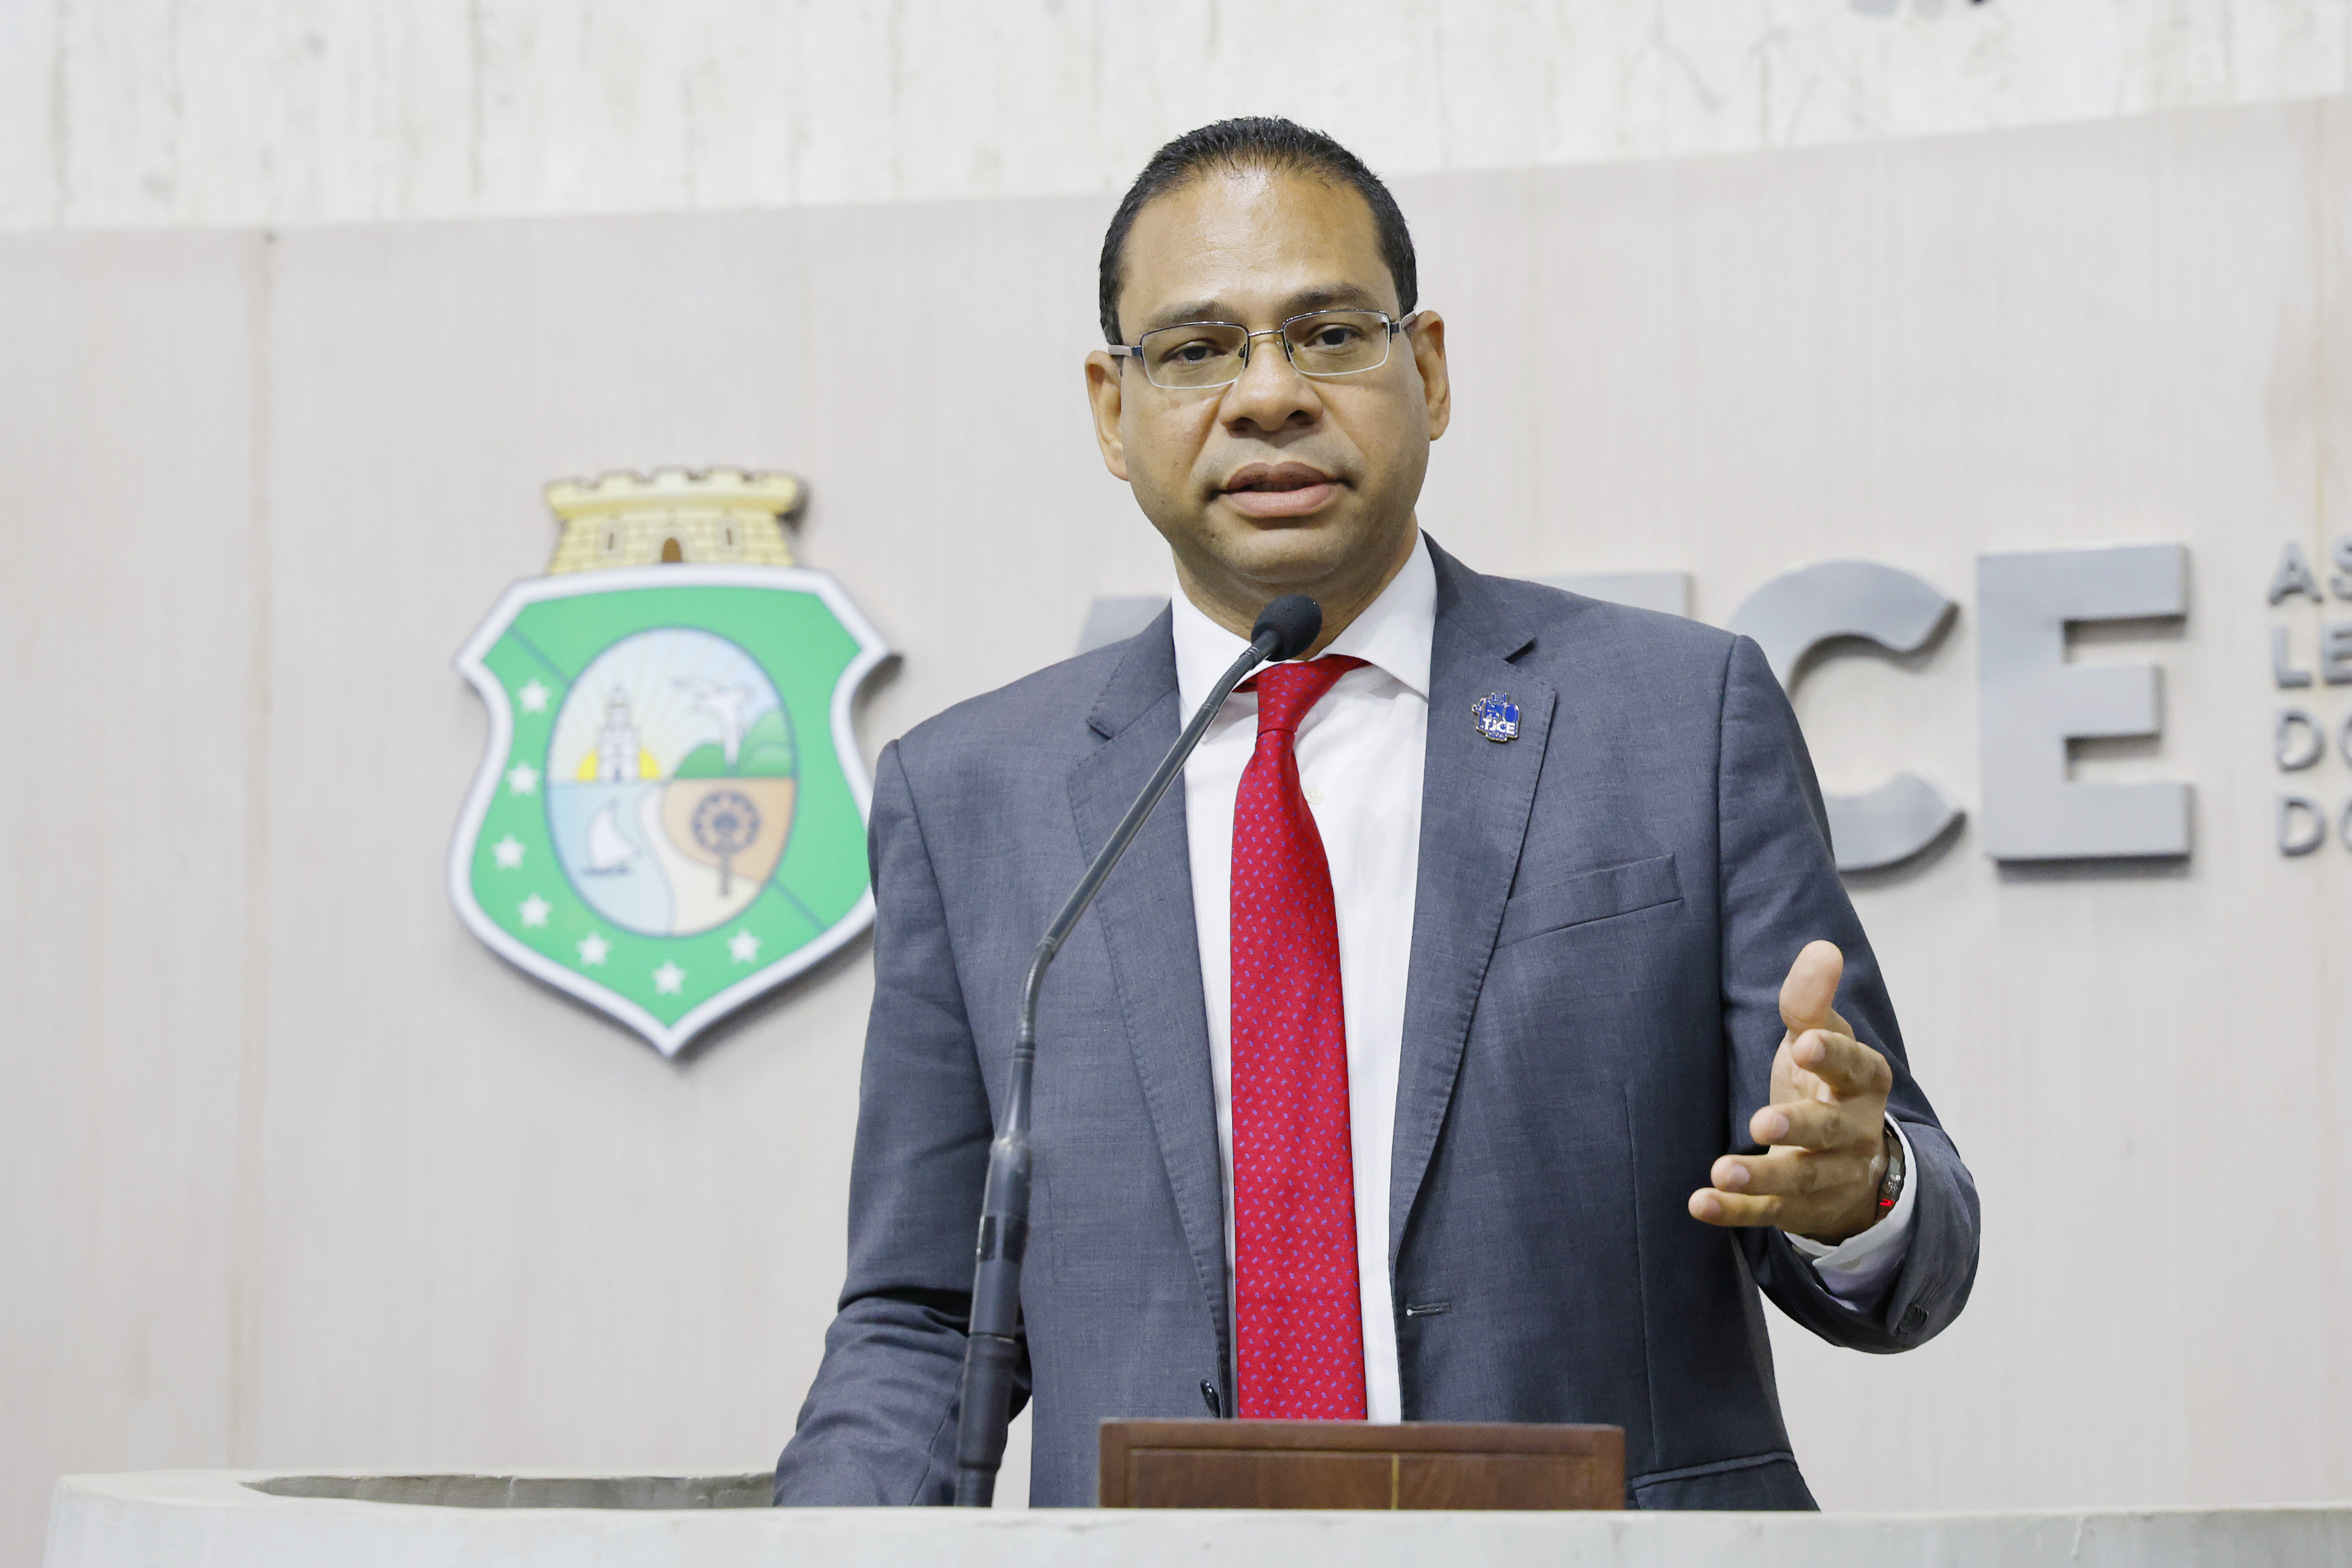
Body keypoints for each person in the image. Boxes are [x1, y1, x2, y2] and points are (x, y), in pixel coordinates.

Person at [774, 117, 1978, 1510]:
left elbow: (1917, 1230)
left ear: (1431, 369)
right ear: (1113, 409)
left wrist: (1857, 1192)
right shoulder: (972, 797)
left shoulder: (1679, 719)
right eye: (1196, 350)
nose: (1268, 395)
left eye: (1331, 335)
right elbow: (923, 1314)